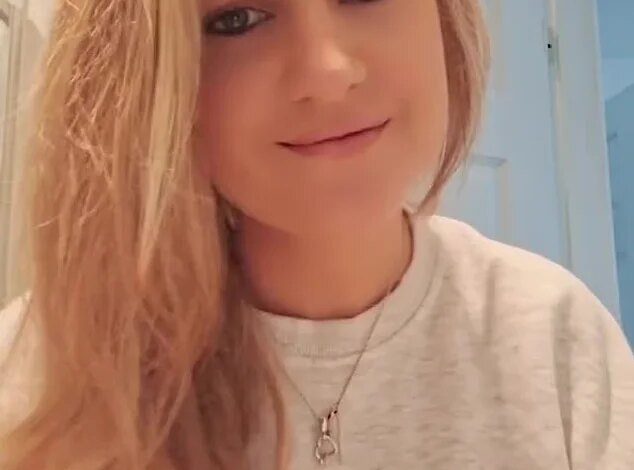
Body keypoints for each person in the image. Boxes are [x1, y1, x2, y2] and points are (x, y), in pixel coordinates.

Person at [0, 0, 632, 469]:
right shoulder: (38, 379)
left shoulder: (556, 340)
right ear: (149, 80)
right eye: (237, 19)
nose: (327, 71)